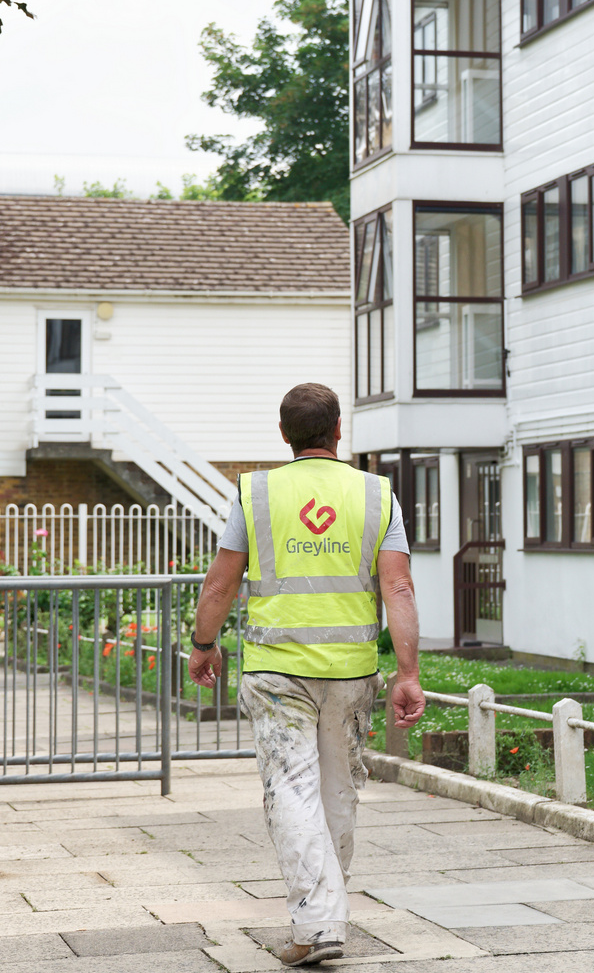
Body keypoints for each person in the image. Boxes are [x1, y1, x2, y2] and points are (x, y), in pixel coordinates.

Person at [188, 382, 425, 968]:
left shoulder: (256, 493)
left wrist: (202, 643)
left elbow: (221, 584)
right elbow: (397, 586)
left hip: (277, 670)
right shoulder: (376, 496)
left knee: (290, 791)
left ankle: (318, 924)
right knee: (338, 790)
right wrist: (408, 672)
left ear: (283, 433)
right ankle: (325, 916)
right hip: (351, 672)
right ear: (338, 430)